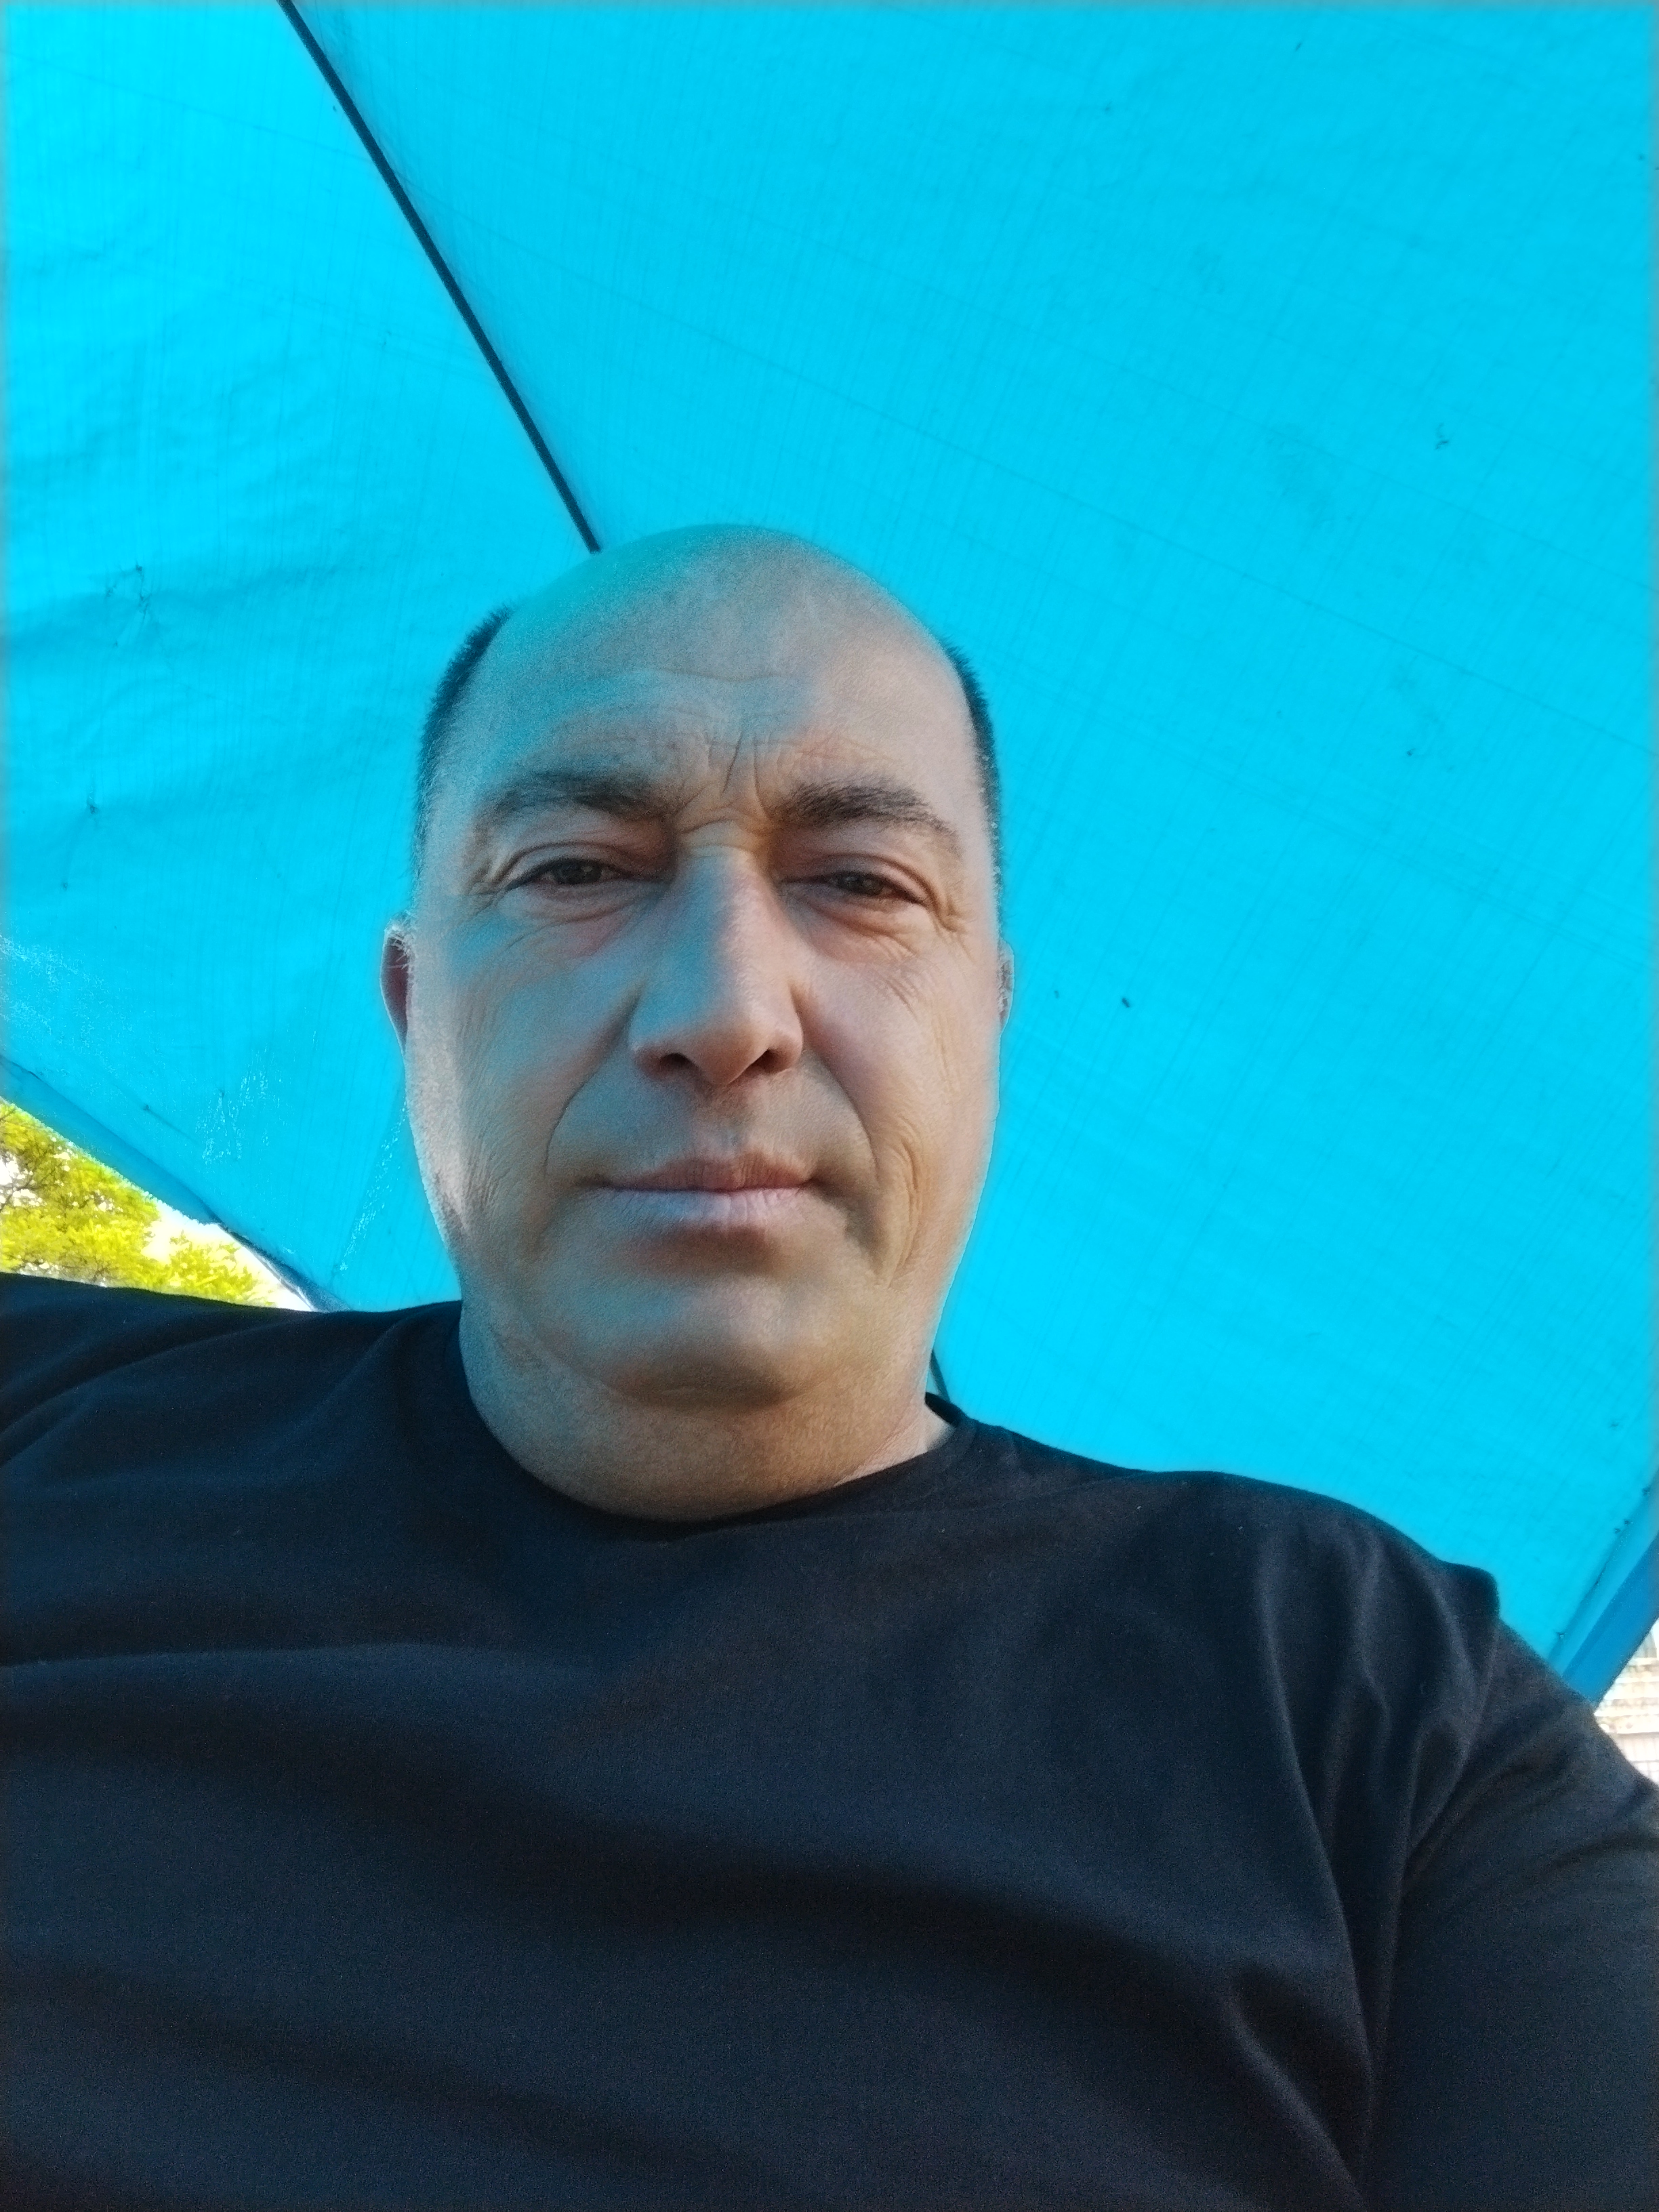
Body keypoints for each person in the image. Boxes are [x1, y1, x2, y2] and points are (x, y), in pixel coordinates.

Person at [3, 525, 1654, 2212]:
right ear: (413, 1007)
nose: (726, 1013)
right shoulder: (40, 1422)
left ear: (988, 1018)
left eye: (862, 884)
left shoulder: (1372, 1714)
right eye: (576, 869)